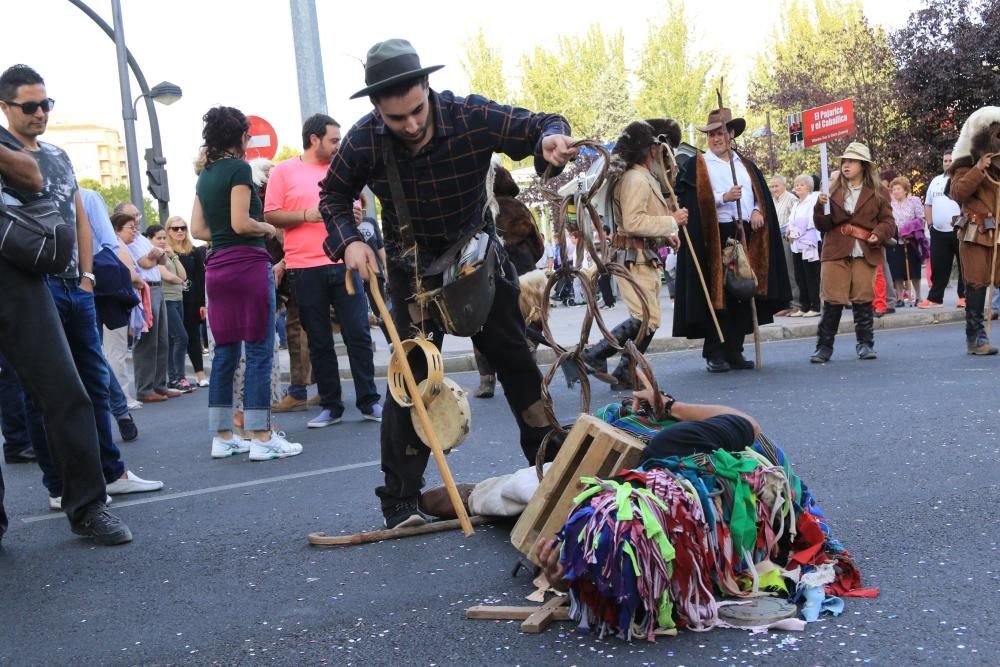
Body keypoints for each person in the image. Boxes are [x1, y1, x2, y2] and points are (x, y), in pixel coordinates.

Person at [318, 38, 577, 529]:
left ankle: (551, 473)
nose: (412, 125)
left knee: (519, 366)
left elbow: (541, 125)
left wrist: (551, 139)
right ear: (378, 110)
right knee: (412, 381)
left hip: (478, 261)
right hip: (411, 272)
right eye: (398, 119)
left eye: (417, 110)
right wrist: (348, 241)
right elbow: (332, 195)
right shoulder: (364, 139)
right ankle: (400, 502)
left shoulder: (469, 115)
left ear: (427, 88)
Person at [0, 64, 141, 544]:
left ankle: (88, 507)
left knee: (67, 391)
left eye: (45, 104)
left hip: (21, 274)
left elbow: (33, 178)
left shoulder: (30, 151)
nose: (40, 113)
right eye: (30, 105)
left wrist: (84, 276)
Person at [191, 105, 303, 460]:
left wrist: (223, 233)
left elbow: (197, 230)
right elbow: (242, 223)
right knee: (257, 349)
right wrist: (268, 227)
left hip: (218, 268)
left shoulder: (205, 175)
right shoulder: (238, 169)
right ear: (241, 136)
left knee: (224, 353)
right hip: (247, 265)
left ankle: (223, 435)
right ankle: (261, 436)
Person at [264, 113, 381, 428]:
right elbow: (271, 214)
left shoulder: (342, 167)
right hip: (304, 267)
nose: (338, 146)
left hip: (344, 262)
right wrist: (306, 214)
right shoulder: (284, 171)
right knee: (318, 340)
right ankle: (331, 406)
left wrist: (354, 218)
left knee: (357, 334)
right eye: (333, 140)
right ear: (313, 139)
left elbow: (356, 206)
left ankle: (370, 401)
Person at [672, 108, 790, 372]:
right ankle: (715, 351)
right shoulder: (698, 165)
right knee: (719, 293)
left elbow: (760, 195)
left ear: (731, 134)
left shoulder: (745, 165)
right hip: (714, 235)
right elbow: (690, 200)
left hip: (746, 233)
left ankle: (735, 349)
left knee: (743, 291)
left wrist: (758, 209)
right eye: (712, 134)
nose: (716, 139)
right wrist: (722, 198)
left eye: (721, 133)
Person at [578, 119, 684, 390]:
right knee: (644, 319)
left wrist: (665, 234)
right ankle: (595, 355)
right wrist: (671, 220)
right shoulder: (636, 178)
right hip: (632, 257)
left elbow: (641, 221)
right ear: (652, 150)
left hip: (641, 256)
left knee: (649, 320)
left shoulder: (642, 177)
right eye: (664, 150)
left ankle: (626, 371)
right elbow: (634, 222)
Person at [810, 142, 896, 363]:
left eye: (852, 161)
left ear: (863, 165)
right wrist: (820, 206)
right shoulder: (832, 189)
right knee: (832, 300)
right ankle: (824, 347)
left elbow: (888, 221)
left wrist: (879, 233)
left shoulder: (878, 191)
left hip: (864, 249)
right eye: (844, 161)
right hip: (836, 249)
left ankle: (865, 344)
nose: (846, 165)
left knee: (863, 299)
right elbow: (822, 224)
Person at [81, 187, 141, 439]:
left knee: (92, 355)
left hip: (86, 285)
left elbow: (108, 243)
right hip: (51, 284)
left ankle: (119, 414)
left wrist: (87, 277)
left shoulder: (86, 197)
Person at [944, 106, 1000, 355]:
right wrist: (979, 168)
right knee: (976, 284)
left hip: (999, 234)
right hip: (976, 234)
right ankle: (975, 338)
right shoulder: (964, 165)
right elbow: (958, 193)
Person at [115, 202, 181, 402]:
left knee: (161, 340)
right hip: (144, 289)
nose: (136, 220)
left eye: (137, 216)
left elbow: (160, 259)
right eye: (132, 216)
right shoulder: (126, 242)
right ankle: (144, 388)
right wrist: (156, 255)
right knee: (147, 341)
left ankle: (160, 385)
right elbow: (145, 262)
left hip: (157, 287)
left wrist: (156, 256)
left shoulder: (140, 238)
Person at [147, 222, 194, 392]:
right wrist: (183, 282)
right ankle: (177, 378)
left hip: (178, 299)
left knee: (173, 340)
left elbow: (182, 274)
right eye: (158, 238)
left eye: (163, 238)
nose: (161, 241)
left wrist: (173, 256)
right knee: (181, 337)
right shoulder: (153, 255)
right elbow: (169, 277)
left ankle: (174, 378)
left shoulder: (167, 255)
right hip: (165, 300)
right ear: (149, 239)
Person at [166, 215, 209, 386]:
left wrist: (202, 304)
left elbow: (200, 279)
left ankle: (199, 375)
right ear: (168, 230)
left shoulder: (195, 251)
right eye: (175, 228)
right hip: (172, 299)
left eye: (183, 228)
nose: (179, 231)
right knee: (175, 338)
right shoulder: (166, 251)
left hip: (191, 300)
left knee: (193, 337)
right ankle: (176, 376)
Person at [919, 152, 965, 308]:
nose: (947, 163)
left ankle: (963, 297)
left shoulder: (964, 180)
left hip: (960, 230)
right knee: (938, 267)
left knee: (964, 265)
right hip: (938, 231)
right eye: (945, 160)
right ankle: (935, 298)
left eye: (951, 160)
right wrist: (930, 225)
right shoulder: (936, 181)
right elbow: (928, 204)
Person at [886, 176, 926, 305]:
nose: (895, 191)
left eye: (898, 189)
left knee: (914, 269)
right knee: (896, 269)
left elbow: (921, 218)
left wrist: (909, 229)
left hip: (911, 239)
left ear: (905, 190)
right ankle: (899, 297)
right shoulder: (890, 203)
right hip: (895, 239)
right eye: (893, 189)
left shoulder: (914, 201)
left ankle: (918, 296)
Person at [786, 174, 822, 317]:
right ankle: (804, 306)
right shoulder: (795, 204)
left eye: (802, 184)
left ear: (809, 187)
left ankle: (815, 306)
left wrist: (798, 230)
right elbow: (791, 221)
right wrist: (790, 230)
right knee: (800, 276)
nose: (798, 187)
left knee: (811, 275)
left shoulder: (813, 201)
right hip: (796, 243)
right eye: (796, 184)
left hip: (809, 242)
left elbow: (813, 220)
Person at [770, 175, 801, 316]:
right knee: (781, 273)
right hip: (776, 238)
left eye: (777, 186)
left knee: (791, 271)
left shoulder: (791, 199)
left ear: (784, 186)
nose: (774, 189)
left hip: (787, 237)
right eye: (772, 186)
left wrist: (790, 235)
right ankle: (786, 304)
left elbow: (797, 219)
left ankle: (796, 303)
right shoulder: (773, 201)